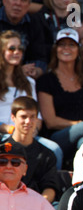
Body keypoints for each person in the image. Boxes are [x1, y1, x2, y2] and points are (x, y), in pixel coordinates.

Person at [37, 28, 83, 167]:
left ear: (78, 49)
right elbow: (50, 121)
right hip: (59, 136)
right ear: (55, 49)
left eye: (71, 45)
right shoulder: (46, 81)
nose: (66, 48)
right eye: (62, 44)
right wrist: (80, 124)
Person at [0, 30, 63, 169]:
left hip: (28, 132)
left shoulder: (29, 82)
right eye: (12, 48)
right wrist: (10, 129)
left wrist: (31, 132)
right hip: (3, 134)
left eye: (20, 48)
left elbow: (37, 117)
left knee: (54, 150)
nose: (17, 52)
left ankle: (50, 188)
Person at [33, 0, 83, 86]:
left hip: (79, 69)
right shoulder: (39, 18)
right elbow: (37, 52)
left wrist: (82, 42)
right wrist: (65, 44)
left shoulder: (81, 18)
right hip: (50, 67)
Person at [5, 97, 59, 203]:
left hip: (35, 205)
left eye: (32, 117)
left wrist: (37, 206)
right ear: (13, 117)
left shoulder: (47, 155)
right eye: (23, 117)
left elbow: (50, 187)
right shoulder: (2, 151)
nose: (28, 121)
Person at [0, 0, 47, 79]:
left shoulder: (36, 22)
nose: (18, 3)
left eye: (24, 0)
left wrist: (35, 71)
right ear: (4, 0)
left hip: (26, 80)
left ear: (29, 5)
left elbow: (40, 57)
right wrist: (16, 72)